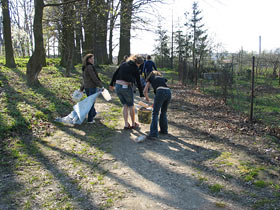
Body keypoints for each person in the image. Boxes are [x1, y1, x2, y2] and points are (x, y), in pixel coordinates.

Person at [109, 54, 144, 129]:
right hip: (126, 87)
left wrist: (111, 84)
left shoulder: (123, 64)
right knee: (131, 105)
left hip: (117, 86)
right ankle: (133, 124)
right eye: (139, 64)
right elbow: (138, 82)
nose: (139, 66)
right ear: (137, 63)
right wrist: (141, 94)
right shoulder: (135, 68)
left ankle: (126, 124)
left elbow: (115, 74)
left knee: (125, 105)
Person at [144, 71, 171, 139]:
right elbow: (163, 87)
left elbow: (145, 91)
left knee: (155, 113)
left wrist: (147, 98)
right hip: (168, 92)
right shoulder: (162, 78)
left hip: (160, 92)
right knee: (163, 112)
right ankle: (164, 130)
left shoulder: (151, 78)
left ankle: (153, 134)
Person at [80, 53, 103, 124]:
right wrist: (100, 86)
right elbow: (94, 77)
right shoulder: (90, 67)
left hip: (87, 87)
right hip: (91, 87)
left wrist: (82, 88)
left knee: (90, 102)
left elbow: (84, 79)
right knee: (91, 103)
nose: (93, 60)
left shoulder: (85, 67)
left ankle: (93, 113)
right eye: (92, 59)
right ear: (89, 59)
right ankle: (90, 119)